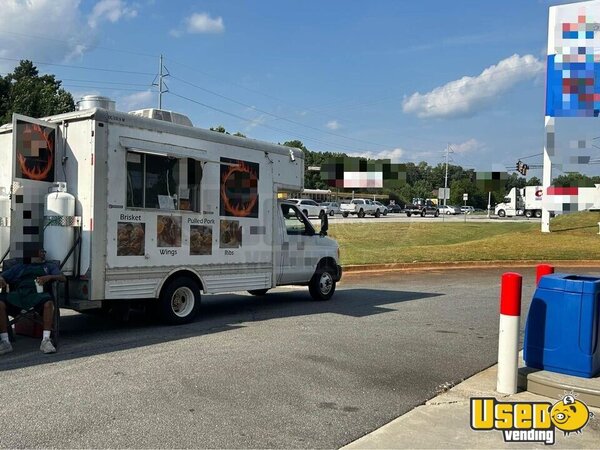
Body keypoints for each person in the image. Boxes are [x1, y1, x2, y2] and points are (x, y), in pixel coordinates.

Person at [0, 248, 65, 355]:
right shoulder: (20, 267)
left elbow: (62, 278)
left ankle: (46, 340)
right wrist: (1, 278)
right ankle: (5, 341)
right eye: (40, 251)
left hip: (37, 295)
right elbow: (3, 275)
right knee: (0, 303)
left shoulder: (48, 266)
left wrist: (49, 277)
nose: (43, 253)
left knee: (48, 303)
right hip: (19, 295)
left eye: (44, 251)